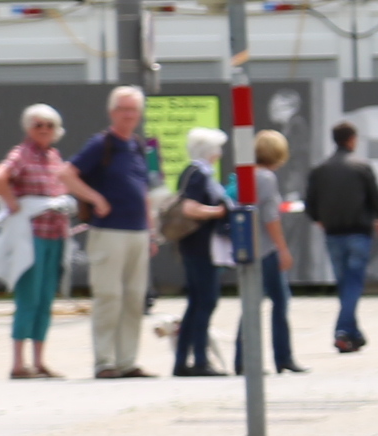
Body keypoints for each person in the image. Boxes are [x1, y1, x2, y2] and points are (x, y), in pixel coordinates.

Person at [64, 86, 162, 378]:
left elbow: (145, 191)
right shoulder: (101, 144)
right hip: (108, 231)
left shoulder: (140, 147)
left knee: (134, 298)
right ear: (112, 112)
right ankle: (104, 361)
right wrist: (96, 199)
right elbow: (66, 173)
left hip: (137, 232)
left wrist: (152, 231)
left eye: (133, 110)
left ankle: (127, 360)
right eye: (123, 109)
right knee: (109, 296)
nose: (129, 115)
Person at [0, 105, 79, 381]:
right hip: (32, 235)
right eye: (38, 124)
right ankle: (18, 362)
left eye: (49, 125)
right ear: (29, 128)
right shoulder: (21, 154)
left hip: (56, 233)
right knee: (29, 296)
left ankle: (39, 360)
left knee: (46, 297)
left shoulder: (54, 156)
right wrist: (13, 204)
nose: (44, 129)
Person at [305, 121, 378, 355]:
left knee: (344, 283)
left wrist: (318, 218)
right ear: (352, 139)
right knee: (353, 283)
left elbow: (310, 203)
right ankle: (343, 332)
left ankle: (354, 334)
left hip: (332, 234)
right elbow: (376, 197)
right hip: (358, 232)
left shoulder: (320, 170)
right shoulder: (361, 167)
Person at [232, 128, 303, 374]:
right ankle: (283, 357)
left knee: (251, 304)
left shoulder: (246, 174)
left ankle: (243, 359)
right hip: (266, 249)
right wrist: (283, 249)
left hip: (249, 247)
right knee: (280, 302)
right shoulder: (267, 178)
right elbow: (270, 218)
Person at [170, 128, 234, 376]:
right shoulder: (199, 174)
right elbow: (189, 208)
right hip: (200, 247)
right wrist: (218, 212)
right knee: (206, 300)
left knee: (196, 302)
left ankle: (183, 360)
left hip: (197, 246)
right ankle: (199, 359)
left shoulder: (195, 172)